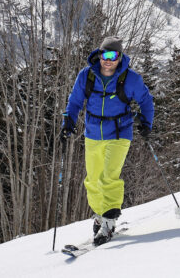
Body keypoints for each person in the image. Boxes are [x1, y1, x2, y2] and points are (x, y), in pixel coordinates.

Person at [61, 36, 155, 245]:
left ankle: (110, 219)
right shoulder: (87, 76)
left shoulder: (130, 79)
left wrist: (146, 123)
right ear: (99, 54)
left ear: (119, 57)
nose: (108, 60)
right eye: (104, 54)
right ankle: (100, 214)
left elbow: (146, 101)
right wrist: (68, 121)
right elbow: (75, 101)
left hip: (120, 132)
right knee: (92, 180)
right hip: (93, 132)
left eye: (112, 55)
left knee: (109, 176)